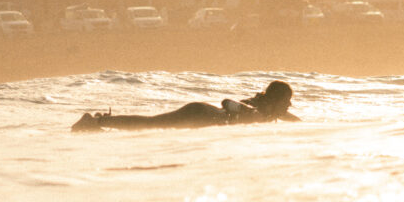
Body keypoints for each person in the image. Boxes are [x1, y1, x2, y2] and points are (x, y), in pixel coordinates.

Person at [72, 80, 300, 131]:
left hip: (203, 116)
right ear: (277, 99)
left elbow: (291, 119)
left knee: (151, 125)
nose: (289, 105)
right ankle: (96, 121)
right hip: (201, 113)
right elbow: (227, 102)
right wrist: (249, 113)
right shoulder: (258, 110)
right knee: (151, 125)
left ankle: (100, 122)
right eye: (287, 100)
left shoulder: (270, 112)